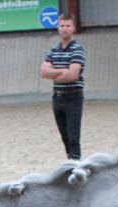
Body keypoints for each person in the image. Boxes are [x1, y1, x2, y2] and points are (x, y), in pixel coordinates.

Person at [39, 14, 86, 160]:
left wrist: (53, 73)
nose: (64, 29)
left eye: (67, 26)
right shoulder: (53, 50)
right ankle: (69, 161)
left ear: (73, 28)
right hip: (57, 96)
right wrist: (61, 71)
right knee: (64, 135)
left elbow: (73, 75)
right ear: (58, 28)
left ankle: (76, 164)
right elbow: (43, 72)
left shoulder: (77, 50)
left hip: (73, 97)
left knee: (73, 136)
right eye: (62, 26)